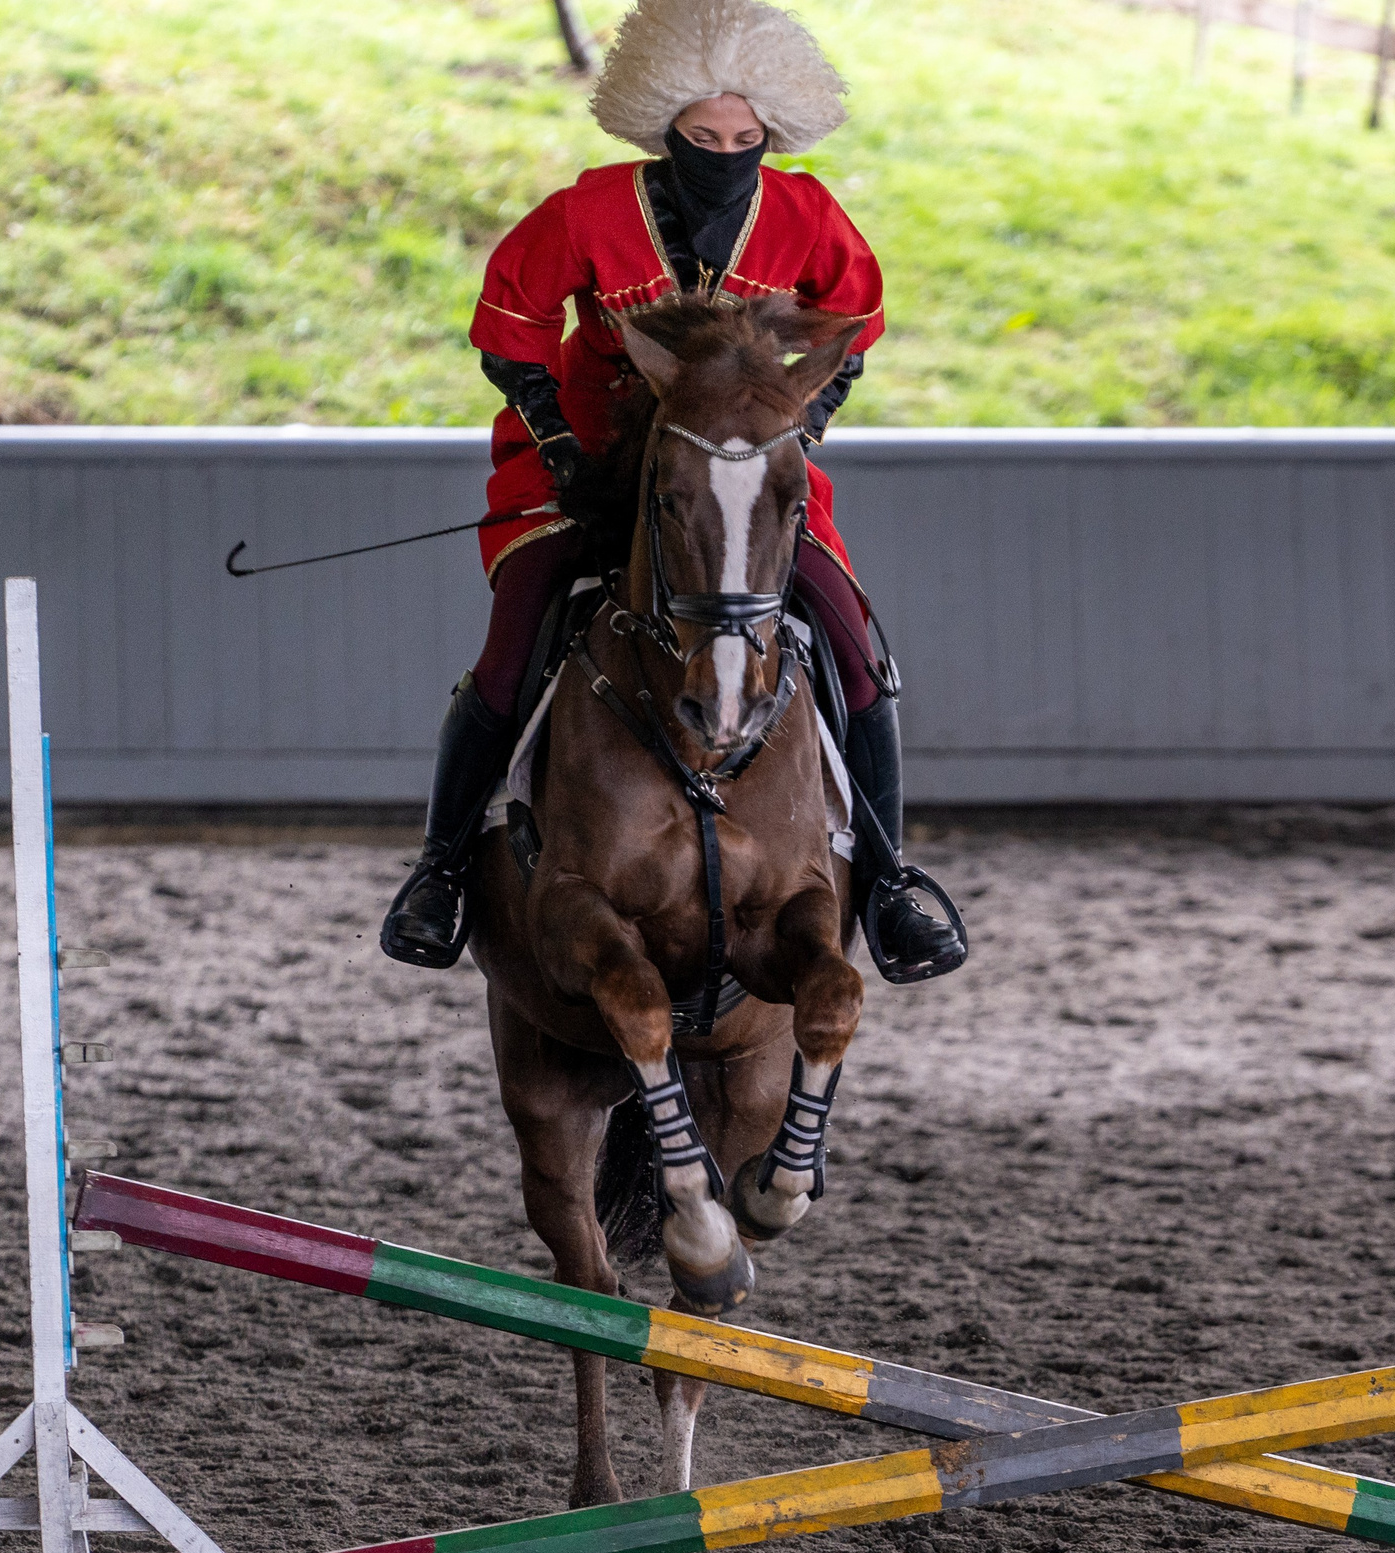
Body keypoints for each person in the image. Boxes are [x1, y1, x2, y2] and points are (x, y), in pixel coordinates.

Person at [379, 0, 965, 981]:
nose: (726, 153)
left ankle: (894, 877)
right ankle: (440, 869)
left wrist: (791, 431)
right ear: (665, 126)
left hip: (738, 473)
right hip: (587, 456)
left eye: (746, 139)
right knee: (514, 636)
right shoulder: (586, 212)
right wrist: (561, 445)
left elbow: (849, 329)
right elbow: (511, 329)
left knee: (854, 648)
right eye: (704, 137)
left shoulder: (809, 215)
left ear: (771, 135)